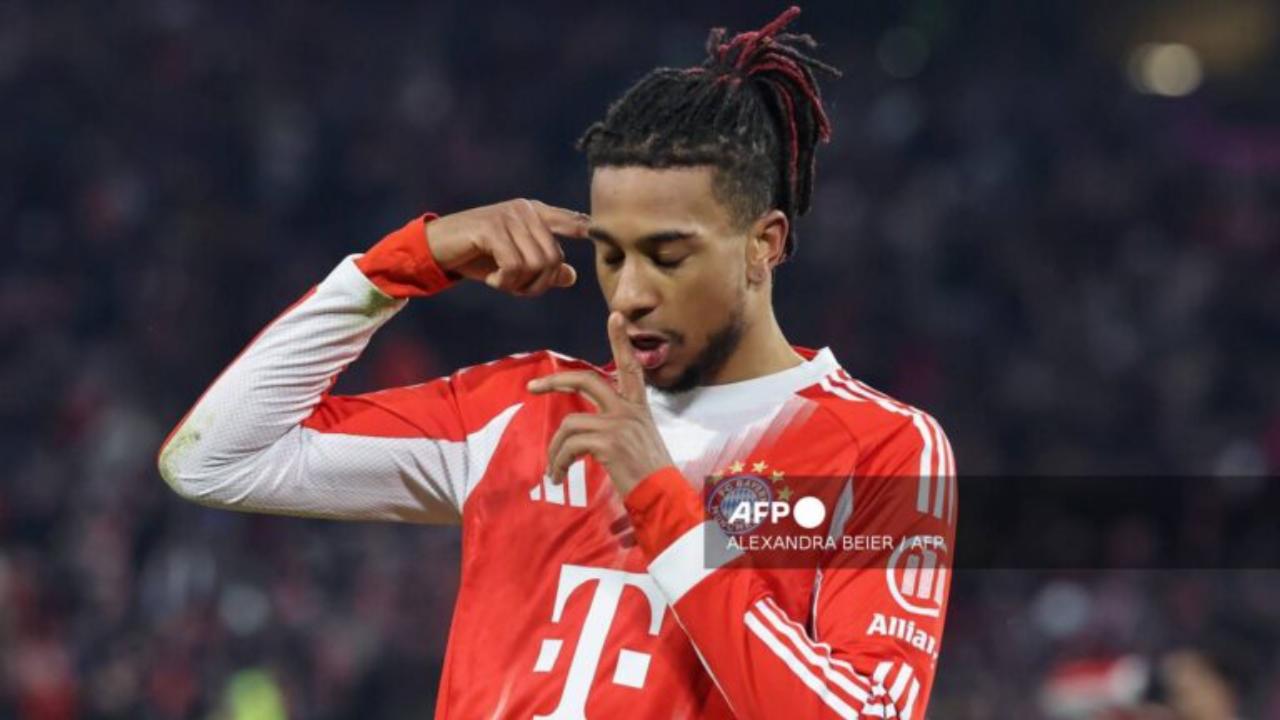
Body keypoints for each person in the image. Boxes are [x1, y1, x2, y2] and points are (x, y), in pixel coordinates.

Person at [158, 7, 956, 718]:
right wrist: (404, 264)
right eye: (611, 256)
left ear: (763, 246)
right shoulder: (533, 408)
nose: (630, 294)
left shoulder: (881, 449)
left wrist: (663, 502)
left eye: (667, 257)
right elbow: (216, 459)